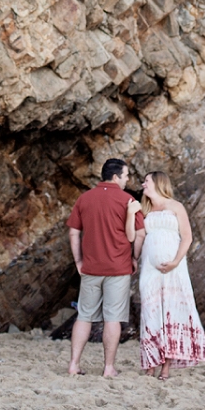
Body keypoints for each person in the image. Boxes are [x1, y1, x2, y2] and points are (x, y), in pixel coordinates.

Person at [128, 170, 205, 380]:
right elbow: (137, 237)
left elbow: (187, 237)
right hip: (150, 268)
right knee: (150, 311)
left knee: (171, 312)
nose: (143, 184)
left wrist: (175, 261)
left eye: (146, 181)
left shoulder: (176, 206)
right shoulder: (144, 209)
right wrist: (134, 258)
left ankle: (165, 367)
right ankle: (150, 364)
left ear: (158, 183)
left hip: (174, 269)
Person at [66, 158, 145, 378]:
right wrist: (135, 258)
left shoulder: (85, 199)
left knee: (84, 316)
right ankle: (108, 367)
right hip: (118, 268)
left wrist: (78, 261)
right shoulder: (127, 200)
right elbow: (139, 234)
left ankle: (74, 364)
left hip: (90, 268)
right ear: (115, 176)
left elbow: (73, 232)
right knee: (112, 318)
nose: (128, 179)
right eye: (126, 175)